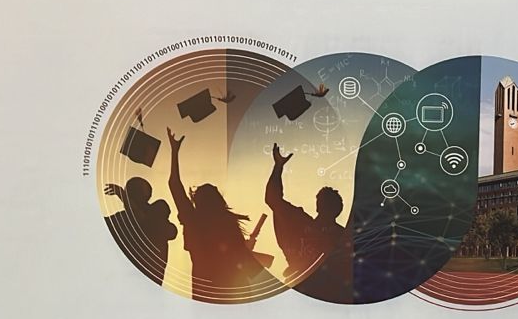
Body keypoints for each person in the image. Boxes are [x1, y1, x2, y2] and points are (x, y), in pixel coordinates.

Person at [166, 129, 278, 303]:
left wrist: (174, 152)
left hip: (206, 290)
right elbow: (240, 256)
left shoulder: (193, 219)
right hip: (233, 289)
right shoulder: (225, 222)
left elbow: (174, 185)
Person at [266, 143, 354, 304]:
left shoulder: (301, 223)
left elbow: (273, 199)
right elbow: (273, 199)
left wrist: (278, 166)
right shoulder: (343, 237)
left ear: (318, 205)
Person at [103, 177, 177, 285]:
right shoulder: (122, 218)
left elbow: (144, 221)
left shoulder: (158, 209)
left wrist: (123, 197)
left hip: (149, 277)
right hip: (128, 278)